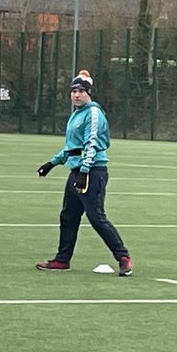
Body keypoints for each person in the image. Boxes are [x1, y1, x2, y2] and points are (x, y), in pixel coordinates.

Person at [34, 70, 133, 276]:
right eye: (74, 91)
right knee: (68, 216)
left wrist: (85, 171)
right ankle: (62, 260)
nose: (76, 95)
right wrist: (52, 163)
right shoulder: (76, 115)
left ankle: (123, 257)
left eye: (81, 91)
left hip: (92, 171)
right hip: (77, 170)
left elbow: (91, 144)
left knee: (96, 217)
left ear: (89, 93)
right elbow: (72, 147)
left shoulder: (93, 113)